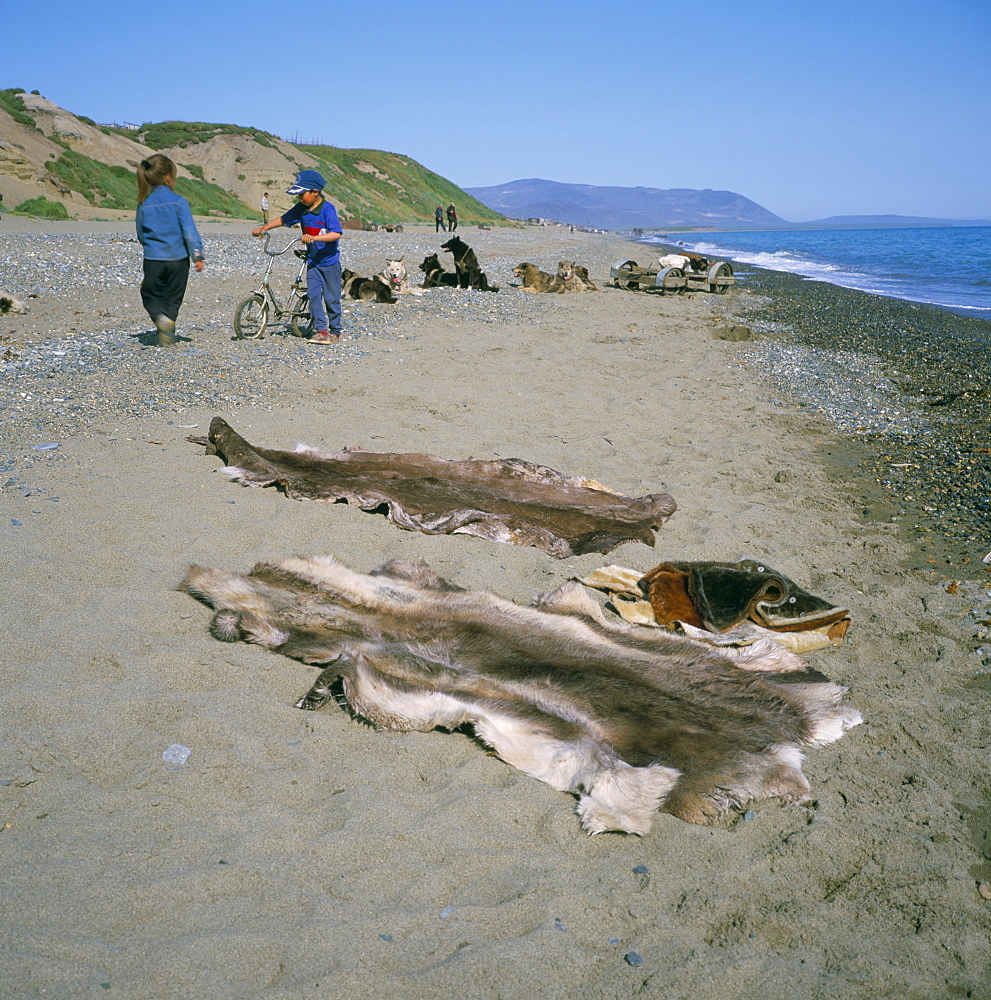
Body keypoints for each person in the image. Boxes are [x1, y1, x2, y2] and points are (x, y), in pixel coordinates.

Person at [251, 169, 342, 345]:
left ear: (315, 192)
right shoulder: (301, 209)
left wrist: (314, 237)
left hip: (330, 262)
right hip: (313, 261)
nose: (300, 198)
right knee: (314, 295)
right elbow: (284, 219)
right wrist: (264, 228)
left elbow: (336, 234)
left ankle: (335, 330)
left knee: (331, 298)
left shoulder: (327, 209)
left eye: (303, 194)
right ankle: (322, 331)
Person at [135, 154, 205, 347]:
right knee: (174, 297)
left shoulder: (143, 203)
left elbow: (140, 234)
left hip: (154, 259)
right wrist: (197, 255)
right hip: (179, 260)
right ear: (168, 178)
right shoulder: (179, 201)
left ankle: (161, 321)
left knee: (150, 294)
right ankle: (168, 326)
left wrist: (151, 246)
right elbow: (189, 231)